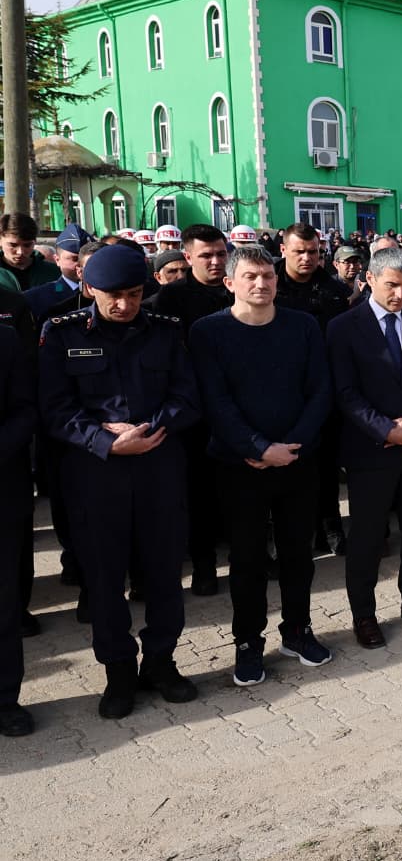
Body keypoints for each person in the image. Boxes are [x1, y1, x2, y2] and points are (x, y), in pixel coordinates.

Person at [38, 243, 201, 719]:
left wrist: (147, 428)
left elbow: (188, 398)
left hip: (158, 466)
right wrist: (105, 441)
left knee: (165, 573)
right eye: (113, 295)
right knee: (106, 578)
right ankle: (118, 672)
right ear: (89, 288)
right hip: (95, 474)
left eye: (133, 294)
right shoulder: (61, 332)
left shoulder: (166, 331)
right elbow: (54, 410)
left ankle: (161, 663)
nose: (124, 305)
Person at [190, 245, 333, 687]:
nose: (261, 284)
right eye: (250, 276)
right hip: (239, 465)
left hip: (296, 460)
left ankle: (297, 630)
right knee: (248, 560)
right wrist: (255, 446)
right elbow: (215, 401)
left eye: (268, 276)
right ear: (230, 282)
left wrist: (293, 445)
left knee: (298, 554)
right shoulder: (208, 332)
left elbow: (320, 391)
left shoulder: (303, 326)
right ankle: (248, 643)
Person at [326, 247, 402, 649]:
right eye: (392, 285)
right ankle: (363, 614)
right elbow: (345, 392)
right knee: (366, 538)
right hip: (370, 451)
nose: (400, 293)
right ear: (370, 281)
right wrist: (384, 430)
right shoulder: (343, 328)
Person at [152, 223, 232, 595]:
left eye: (221, 254)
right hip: (196, 411)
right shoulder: (171, 299)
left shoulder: (240, 287)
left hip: (241, 406)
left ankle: (252, 556)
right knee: (199, 493)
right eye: (206, 256)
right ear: (188, 257)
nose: (216, 262)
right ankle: (204, 566)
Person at [274, 222, 355, 555]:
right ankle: (288, 537)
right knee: (286, 470)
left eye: (313, 252)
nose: (307, 258)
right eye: (299, 252)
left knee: (325, 466)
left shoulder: (334, 290)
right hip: (282, 392)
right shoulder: (270, 285)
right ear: (283, 250)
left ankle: (331, 527)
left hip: (325, 392)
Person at [0, 323, 33, 735]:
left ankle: (6, 698)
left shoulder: (5, 340)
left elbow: (26, 409)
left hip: (1, 488)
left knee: (4, 603)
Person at [23, 224, 86, 318]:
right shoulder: (37, 297)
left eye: (87, 259)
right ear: (57, 260)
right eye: (75, 259)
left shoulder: (107, 292)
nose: (82, 265)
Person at [0, 213, 59, 293]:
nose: (20, 252)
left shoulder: (54, 272)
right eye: (13, 245)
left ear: (35, 242)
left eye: (27, 245)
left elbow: (62, 295)